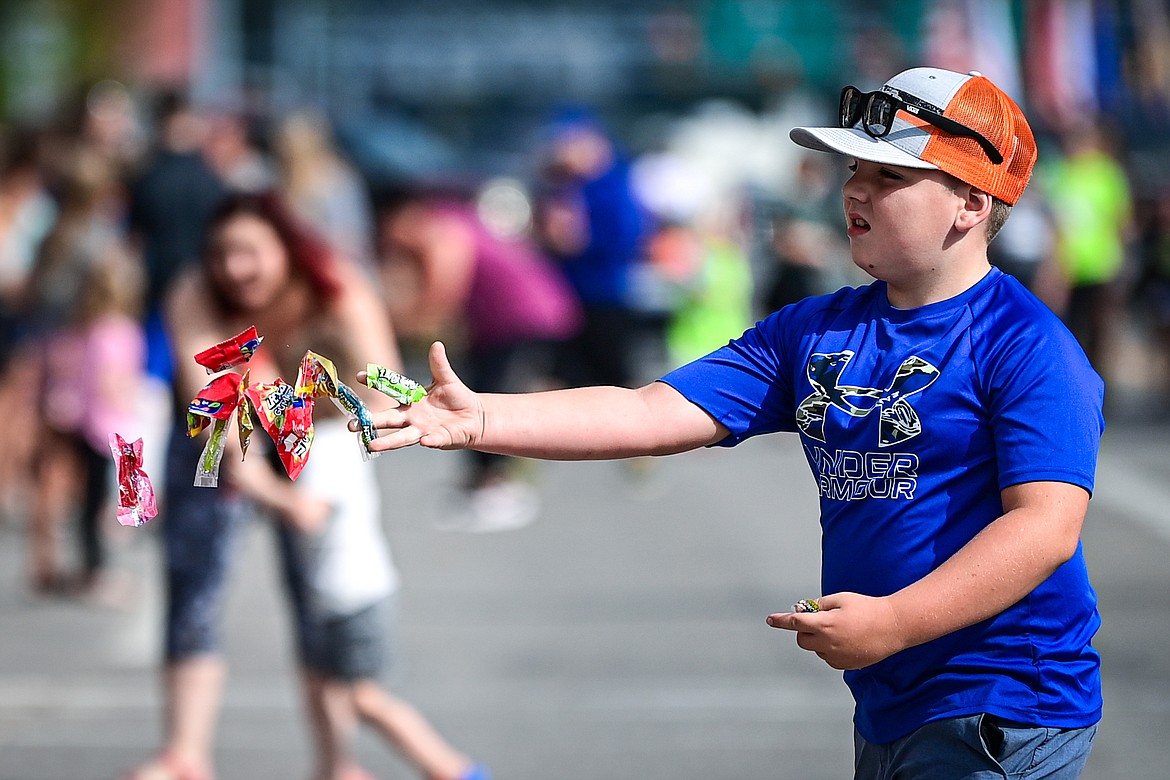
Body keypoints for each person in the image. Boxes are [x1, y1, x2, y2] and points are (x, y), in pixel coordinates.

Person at [361, 68, 1104, 779]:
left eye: (889, 176)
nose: (856, 189)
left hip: (1005, 704)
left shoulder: (1027, 343)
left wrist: (898, 623)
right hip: (892, 700)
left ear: (972, 203)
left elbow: (1045, 528)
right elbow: (648, 411)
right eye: (853, 170)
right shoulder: (813, 330)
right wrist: (480, 417)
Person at [126, 192, 487, 780]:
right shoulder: (195, 291)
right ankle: (185, 755)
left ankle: (336, 762)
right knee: (195, 588)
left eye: (250, 252)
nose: (233, 268)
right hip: (221, 436)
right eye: (221, 253)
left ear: (288, 251)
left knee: (315, 596)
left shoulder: (336, 288)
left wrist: (365, 411)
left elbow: (380, 382)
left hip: (313, 433)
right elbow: (210, 416)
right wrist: (256, 467)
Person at [375, 186, 581, 532]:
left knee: (492, 399)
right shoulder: (456, 221)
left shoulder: (443, 232)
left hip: (523, 318)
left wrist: (384, 329)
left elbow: (439, 299)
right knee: (484, 393)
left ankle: (497, 487)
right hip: (512, 322)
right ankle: (486, 482)